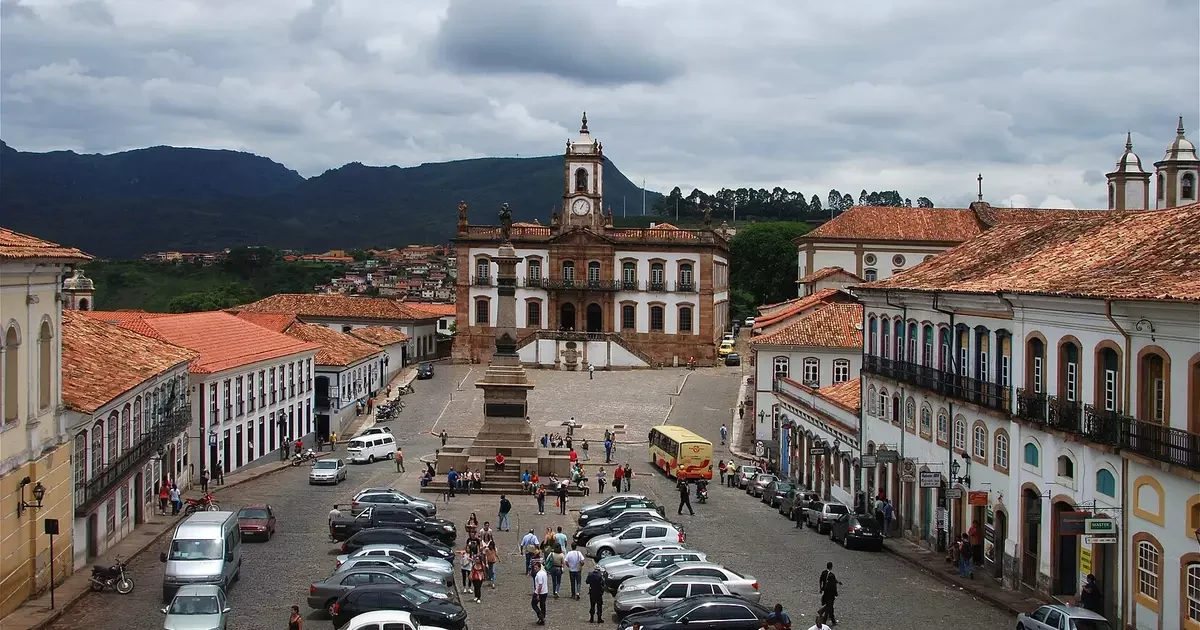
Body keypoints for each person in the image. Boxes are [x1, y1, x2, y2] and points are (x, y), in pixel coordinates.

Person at [531, 559, 549, 625]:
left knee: (533, 604)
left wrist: (537, 594)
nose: (535, 569)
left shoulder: (539, 575)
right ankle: (542, 619)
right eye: (534, 567)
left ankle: (540, 616)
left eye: (536, 567)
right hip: (545, 592)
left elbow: (540, 585)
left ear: (539, 567)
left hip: (539, 592)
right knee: (542, 606)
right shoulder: (544, 573)